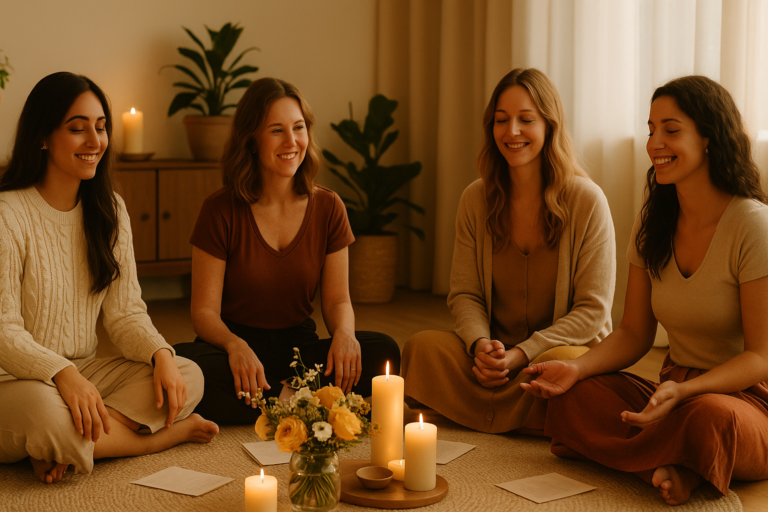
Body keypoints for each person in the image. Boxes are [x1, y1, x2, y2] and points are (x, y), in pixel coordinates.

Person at [521, 75, 768, 505]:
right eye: (651, 130)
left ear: (710, 137)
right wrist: (577, 370)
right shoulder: (652, 222)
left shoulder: (752, 224)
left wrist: (688, 391)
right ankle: (674, 464)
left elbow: (761, 356)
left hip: (743, 403)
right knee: (574, 392)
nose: (655, 143)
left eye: (671, 130)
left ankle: (649, 455)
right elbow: (634, 333)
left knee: (710, 418)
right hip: (669, 396)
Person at [0, 72, 218, 484]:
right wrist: (63, 375)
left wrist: (160, 355)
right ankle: (156, 438)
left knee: (186, 374)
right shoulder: (7, 214)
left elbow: (126, 314)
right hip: (13, 380)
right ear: (42, 137)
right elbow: (3, 331)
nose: (94, 141)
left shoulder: (109, 210)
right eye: (77, 128)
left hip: (83, 372)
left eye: (100, 127)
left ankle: (68, 444)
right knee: (49, 416)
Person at [174, 77, 400, 425]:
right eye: (277, 130)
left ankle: (270, 402)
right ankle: (299, 401)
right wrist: (235, 346)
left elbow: (337, 300)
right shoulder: (219, 210)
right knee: (181, 367)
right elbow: (204, 312)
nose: (291, 141)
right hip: (234, 351)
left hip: (299, 351)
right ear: (251, 139)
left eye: (298, 127)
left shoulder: (329, 207)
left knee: (383, 351)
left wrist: (344, 334)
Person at [401, 68, 615, 433]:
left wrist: (522, 354)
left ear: (549, 126)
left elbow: (592, 312)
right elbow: (465, 293)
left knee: (568, 364)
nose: (512, 131)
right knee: (421, 347)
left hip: (551, 355)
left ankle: (472, 411)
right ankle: (530, 419)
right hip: (497, 355)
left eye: (525, 120)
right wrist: (480, 345)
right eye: (502, 120)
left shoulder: (587, 201)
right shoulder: (475, 198)